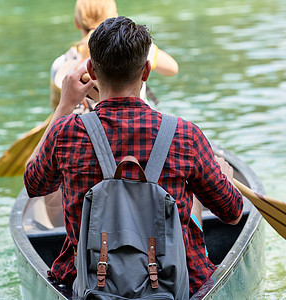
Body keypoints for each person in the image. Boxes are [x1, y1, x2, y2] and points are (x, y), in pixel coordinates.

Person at [24, 16, 243, 296]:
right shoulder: (185, 135)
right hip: (177, 286)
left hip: (88, 284)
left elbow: (34, 185)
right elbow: (233, 214)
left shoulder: (66, 133)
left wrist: (64, 105)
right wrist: (225, 177)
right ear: (146, 71)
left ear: (91, 69)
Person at [49, 0, 179, 111]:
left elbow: (56, 108)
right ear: (115, 17)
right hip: (138, 127)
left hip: (88, 135)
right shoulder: (134, 48)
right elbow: (172, 68)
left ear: (77, 22)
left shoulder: (60, 64)